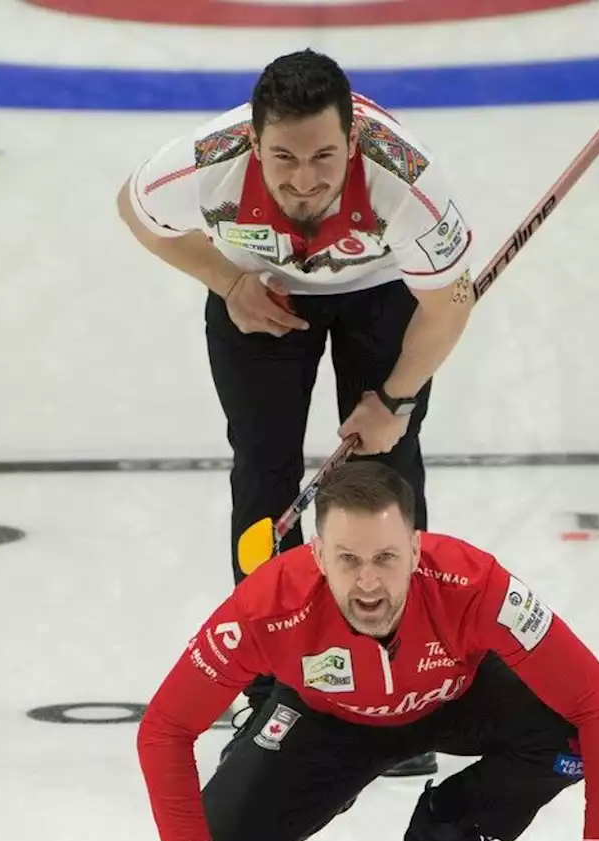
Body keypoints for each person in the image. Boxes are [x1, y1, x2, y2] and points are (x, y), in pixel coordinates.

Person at [117, 49, 478, 778]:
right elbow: (135, 208)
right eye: (283, 157)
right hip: (262, 296)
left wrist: (396, 399)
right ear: (253, 143)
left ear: (354, 142)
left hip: (384, 295)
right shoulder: (200, 166)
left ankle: (403, 684)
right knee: (263, 474)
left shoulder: (406, 181)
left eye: (324, 156)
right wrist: (225, 281)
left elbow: (451, 299)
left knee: (385, 475)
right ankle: (266, 690)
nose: (305, 178)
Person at [137, 461, 599, 841]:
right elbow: (165, 728)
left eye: (385, 558)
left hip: (454, 699)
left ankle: (449, 823)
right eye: (348, 559)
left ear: (415, 549)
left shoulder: (475, 583)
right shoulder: (266, 605)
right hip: (326, 722)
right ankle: (308, 790)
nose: (368, 584)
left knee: (571, 731)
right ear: (318, 555)